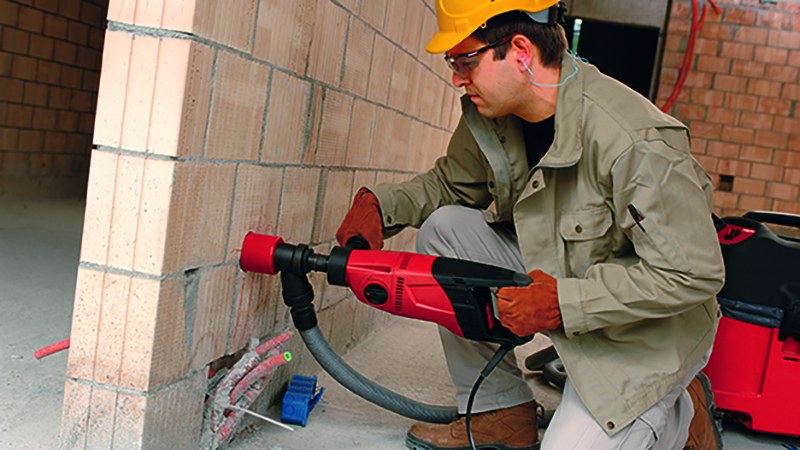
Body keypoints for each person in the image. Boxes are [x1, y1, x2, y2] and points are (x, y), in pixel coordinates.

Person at [336, 1, 725, 449]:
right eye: (453, 62)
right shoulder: (495, 115)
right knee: (445, 231)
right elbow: (451, 185)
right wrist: (379, 206)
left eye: (466, 60)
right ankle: (498, 412)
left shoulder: (633, 141)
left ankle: (680, 415)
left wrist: (563, 303)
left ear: (519, 51)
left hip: (644, 331)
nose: (457, 78)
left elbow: (692, 274)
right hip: (562, 276)